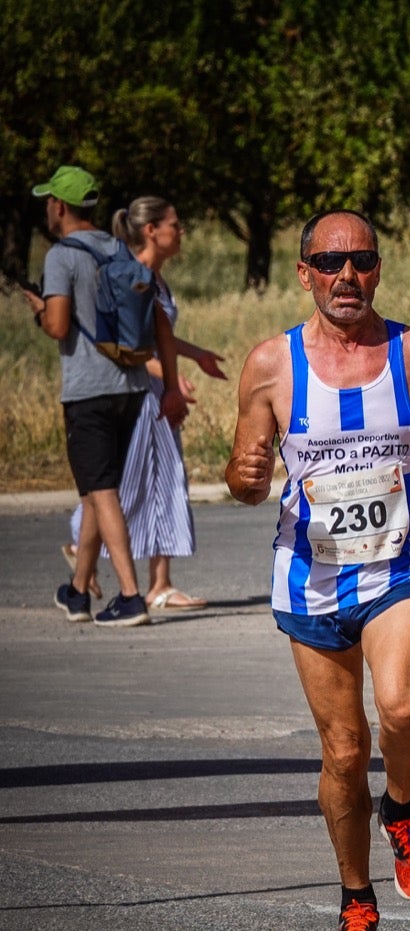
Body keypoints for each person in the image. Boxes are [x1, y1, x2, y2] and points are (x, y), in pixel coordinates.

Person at [225, 209, 410, 931]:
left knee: (401, 707)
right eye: (330, 263)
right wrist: (240, 480)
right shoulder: (272, 365)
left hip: (401, 567)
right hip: (311, 578)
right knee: (343, 752)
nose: (347, 277)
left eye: (362, 261)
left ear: (378, 269)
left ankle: (400, 807)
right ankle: (356, 903)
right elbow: (245, 469)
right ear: (303, 272)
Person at [23, 166, 185, 628]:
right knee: (99, 487)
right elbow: (160, 327)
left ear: (58, 206)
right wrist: (170, 384)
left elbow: (57, 325)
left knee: (102, 488)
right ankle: (77, 591)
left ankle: (131, 596)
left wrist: (38, 311)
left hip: (87, 389)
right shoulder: (120, 248)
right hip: (131, 387)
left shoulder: (61, 256)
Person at [65, 196, 227, 610]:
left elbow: (159, 336)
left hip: (152, 391)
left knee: (160, 479)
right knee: (130, 482)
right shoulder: (133, 277)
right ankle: (85, 550)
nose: (181, 231)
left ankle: (158, 581)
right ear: (152, 230)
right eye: (175, 223)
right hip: (138, 395)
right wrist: (169, 379)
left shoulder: (153, 277)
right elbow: (126, 345)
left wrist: (196, 356)